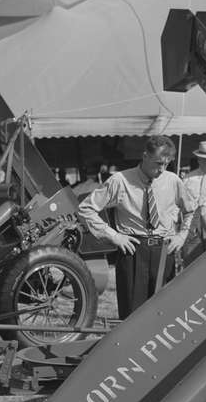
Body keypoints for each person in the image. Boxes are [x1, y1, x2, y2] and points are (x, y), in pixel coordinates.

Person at [78, 136, 192, 319]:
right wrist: (114, 236)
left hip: (164, 250)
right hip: (133, 251)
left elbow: (190, 211)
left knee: (164, 312)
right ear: (145, 156)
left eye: (166, 164)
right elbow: (86, 209)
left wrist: (182, 235)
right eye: (158, 163)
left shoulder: (173, 181)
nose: (162, 169)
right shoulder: (120, 181)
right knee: (132, 315)